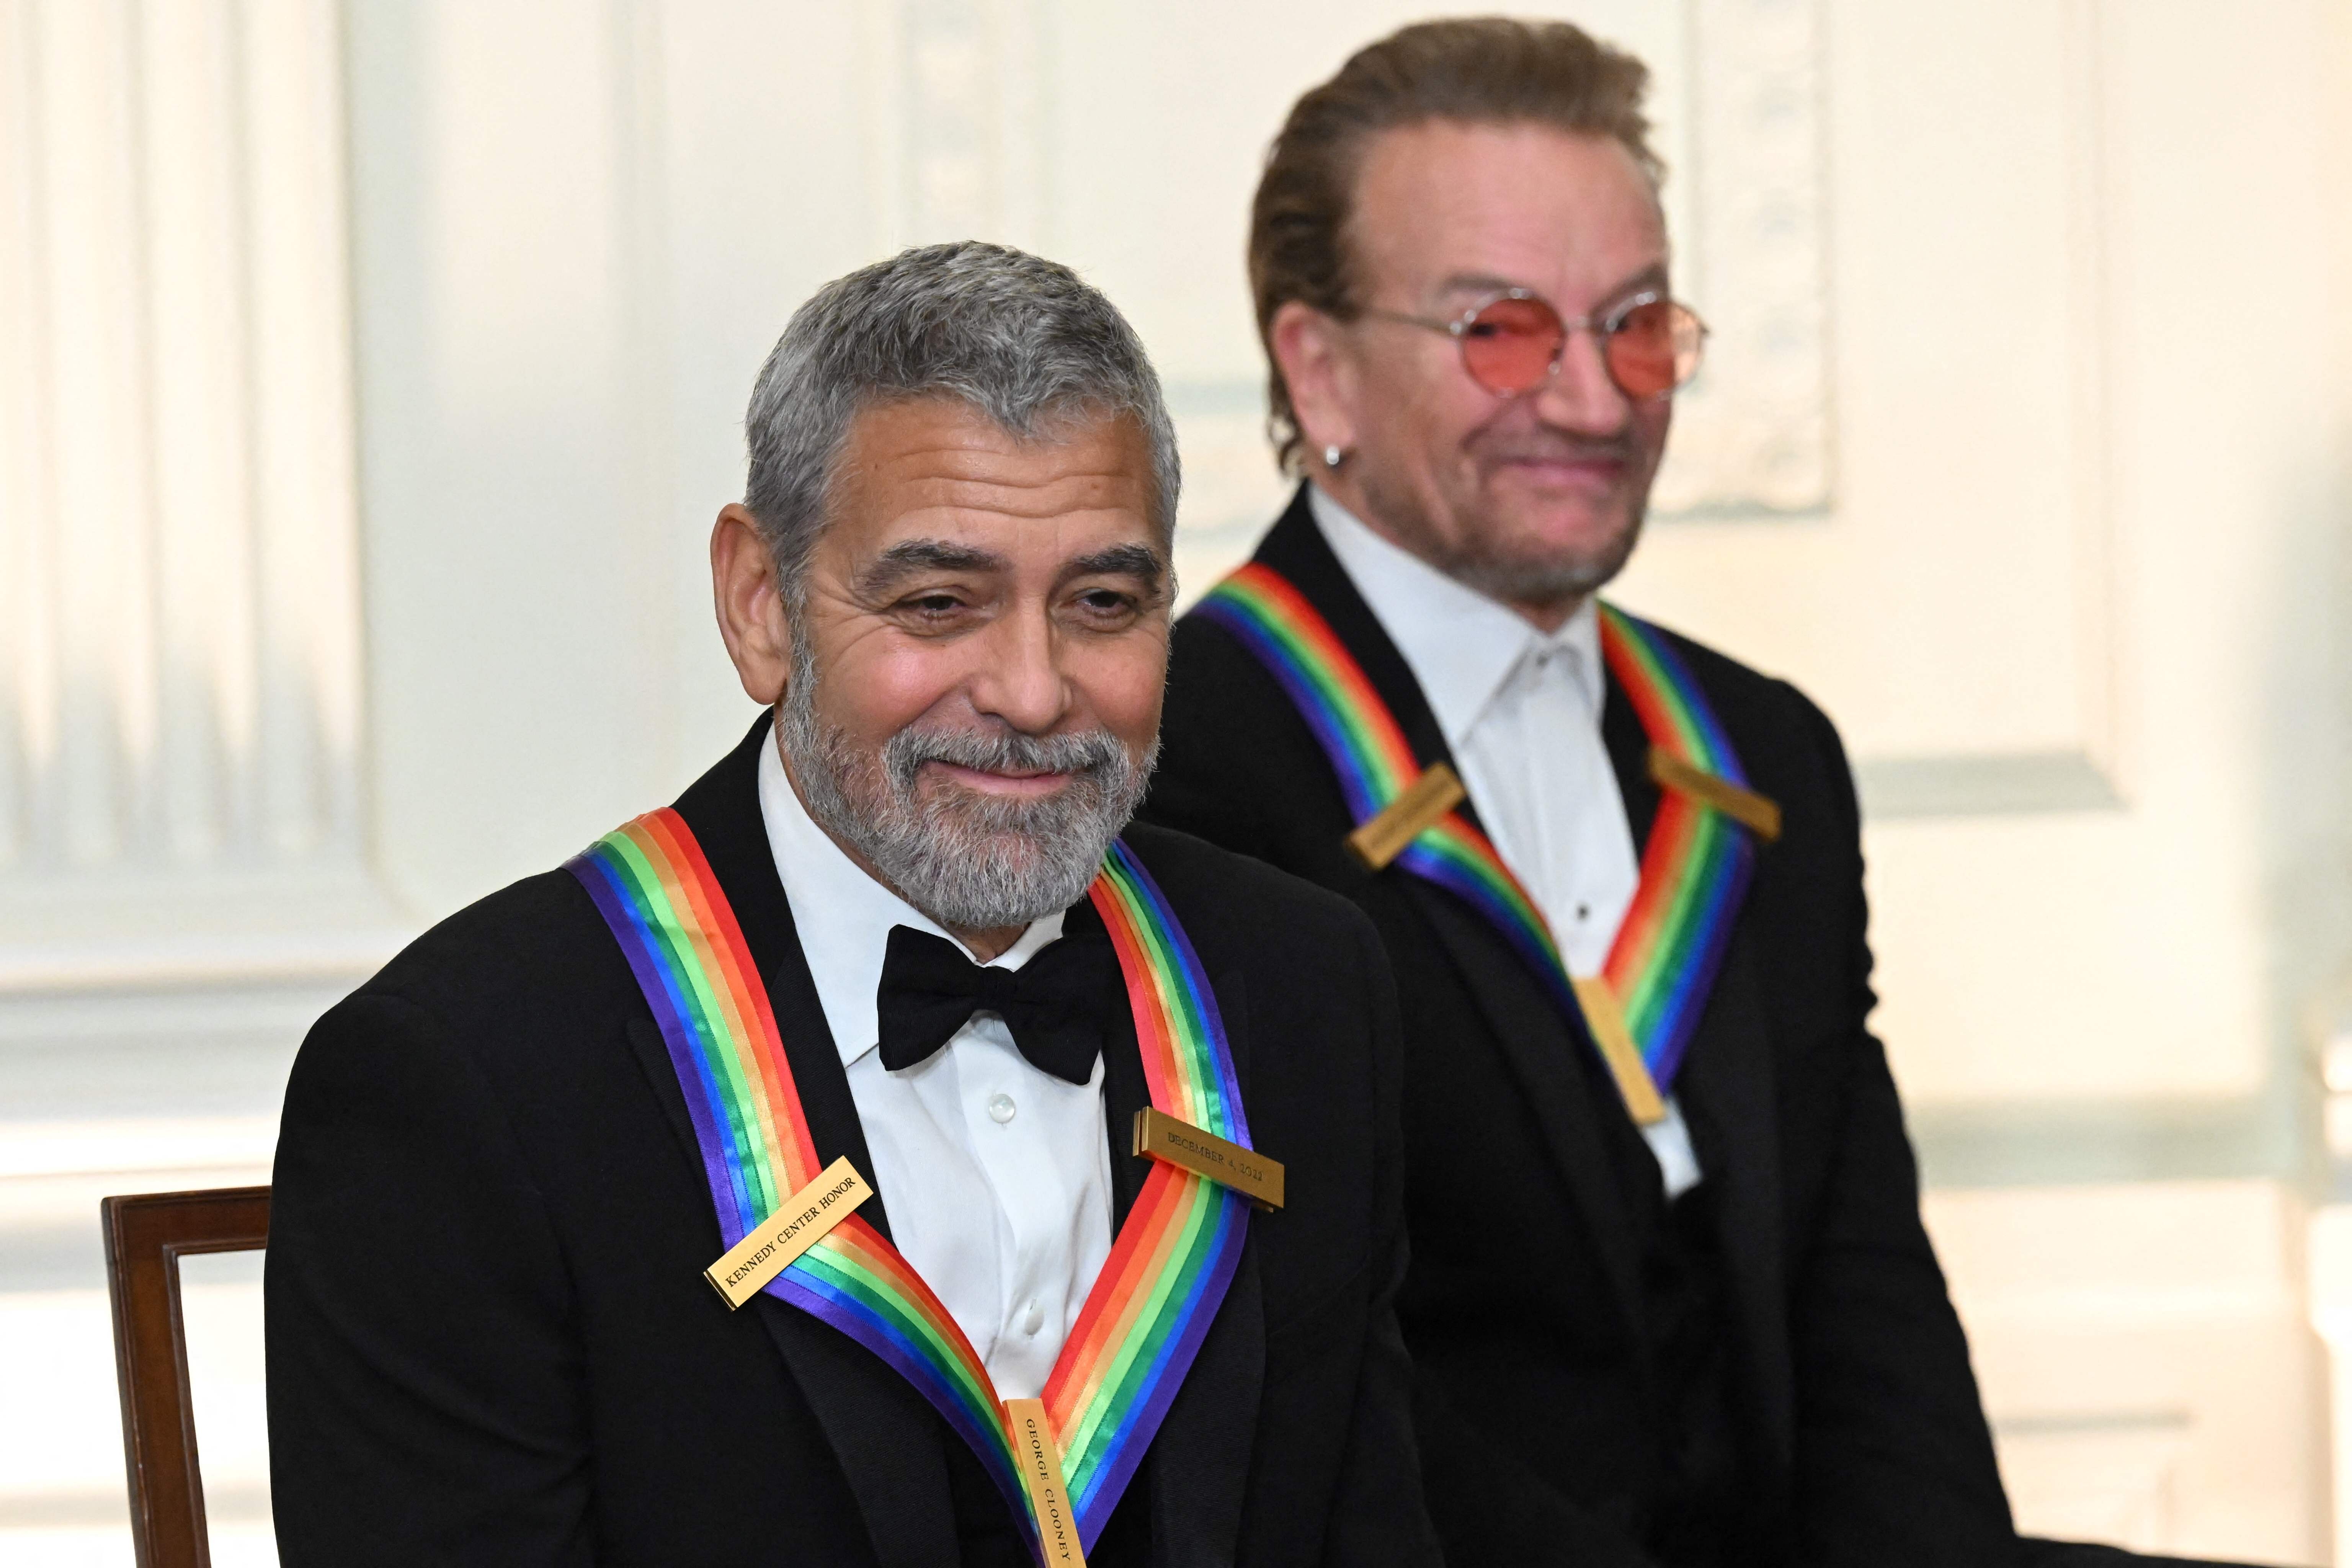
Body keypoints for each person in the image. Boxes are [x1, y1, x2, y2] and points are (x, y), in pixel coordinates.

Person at [1142, 19, 2243, 1568]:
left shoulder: (1760, 749)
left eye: (1639, 326)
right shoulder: (1177, 769)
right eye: (1504, 330)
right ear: (1316, 362)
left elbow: (1869, 1316)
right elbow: (1313, 1393)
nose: (1597, 403)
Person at [266, 241, 1441, 1568]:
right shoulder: (469, 1079)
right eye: (940, 603)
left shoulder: (1301, 989)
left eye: (1103, 602)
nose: (1035, 692)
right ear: (762, 607)